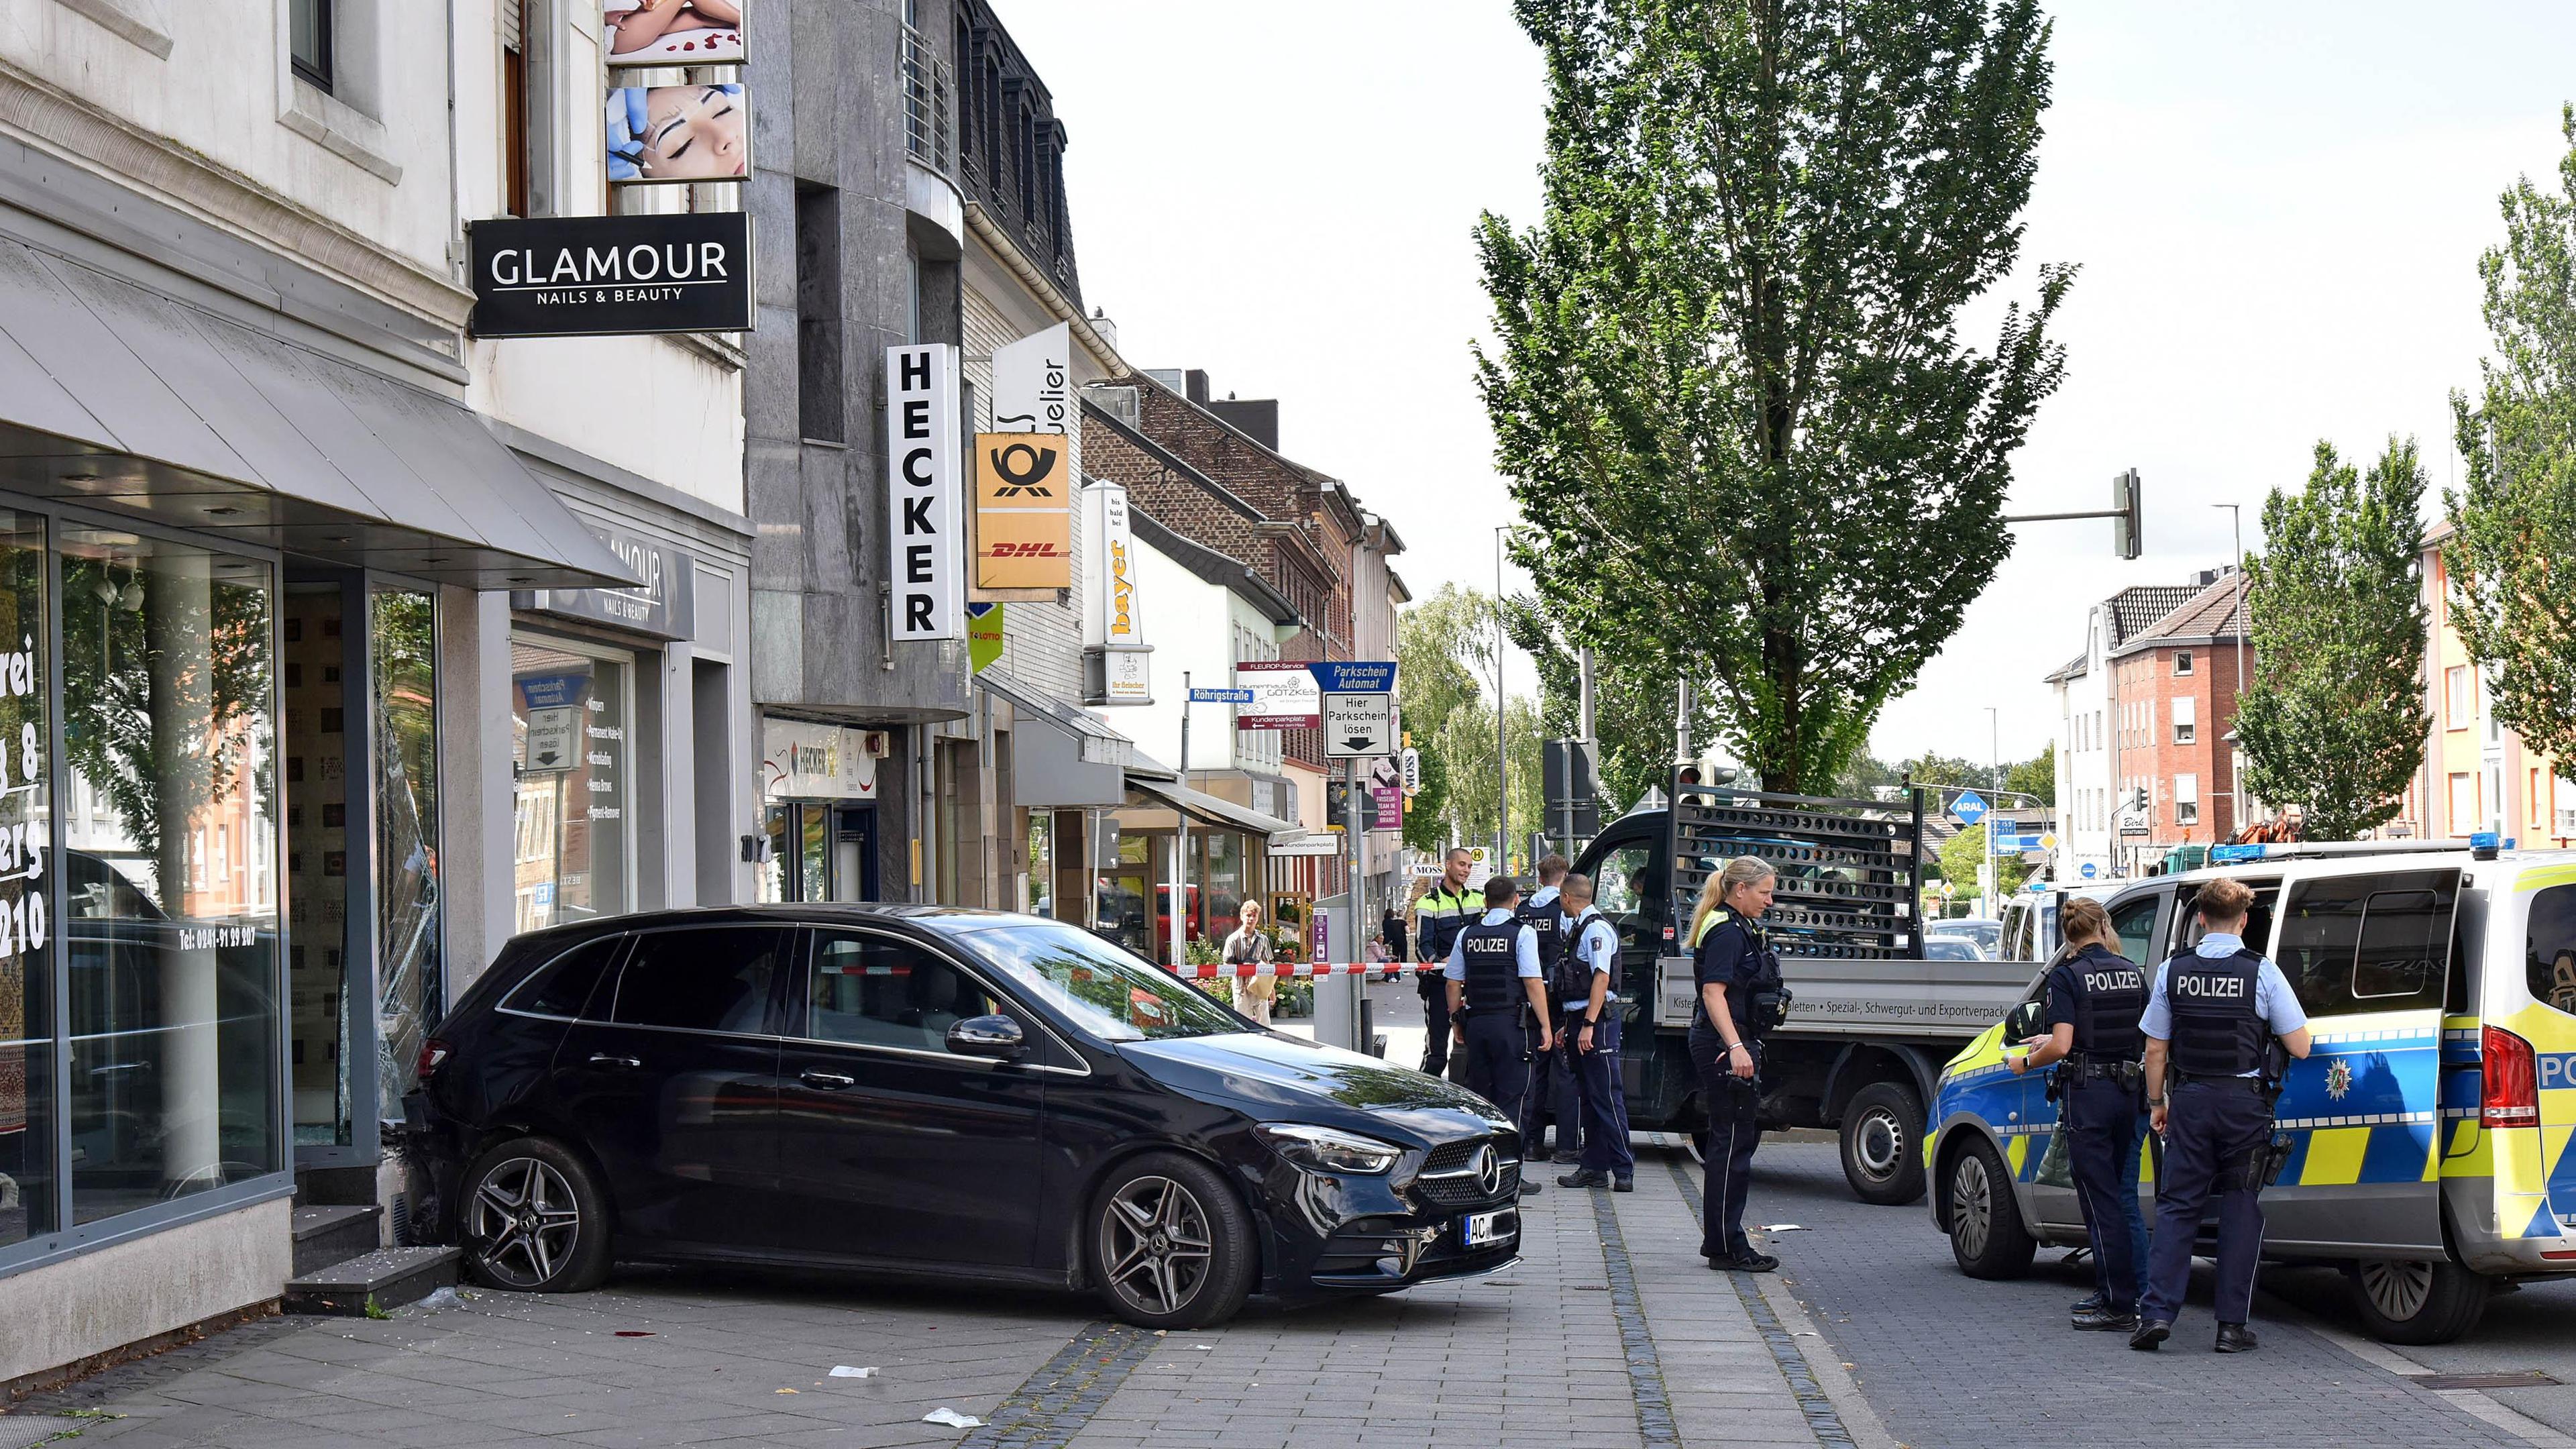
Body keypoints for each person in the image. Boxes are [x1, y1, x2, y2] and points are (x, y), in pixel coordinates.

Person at [2130, 876, 2311, 1354]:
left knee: (2177, 1207)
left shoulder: (2173, 970)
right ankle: (2231, 1328)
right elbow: (2301, 1045)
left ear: (2202, 918)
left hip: (2189, 1101)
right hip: (2243, 1105)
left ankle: (2156, 1315)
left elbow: (2155, 1047)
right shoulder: (2262, 972)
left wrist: (2156, 1104)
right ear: (2245, 921)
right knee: (2239, 1207)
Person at [2011, 897, 2150, 1331]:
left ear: (2069, 935)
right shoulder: (2131, 972)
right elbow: (2149, 1034)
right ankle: (2125, 1293)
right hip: (2131, 1092)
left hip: (2090, 1096)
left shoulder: (2067, 977)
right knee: (2122, 1198)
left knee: (2099, 1199)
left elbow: (2064, 1045)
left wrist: (2027, 1061)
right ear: (2103, 926)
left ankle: (2118, 1305)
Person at [1689, 855, 1785, 1271]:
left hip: (1729, 1042)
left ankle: (1720, 1242)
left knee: (1731, 1143)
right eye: (1764, 892)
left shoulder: (1737, 925)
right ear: (1740, 889)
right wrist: (1734, 1047)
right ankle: (1729, 1247)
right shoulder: (1728, 931)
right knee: (1732, 1146)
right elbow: (1714, 994)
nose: (1770, 900)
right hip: (1723, 1044)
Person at [1447, 874, 1552, 1197]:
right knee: (1515, 1098)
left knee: (1482, 1098)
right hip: (1512, 1026)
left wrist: (1457, 1023)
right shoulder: (1522, 933)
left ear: (1486, 902)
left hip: (1477, 1024)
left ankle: (1478, 1174)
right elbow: (1533, 983)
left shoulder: (1467, 934)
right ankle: (1510, 1176)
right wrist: (1546, 1026)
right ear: (1516, 901)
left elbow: (1453, 983)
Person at [1556, 873, 1635, 1191]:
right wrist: (1569, 1025)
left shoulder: (1597, 929)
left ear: (1566, 897)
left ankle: (1623, 1169)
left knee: (1607, 1097)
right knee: (1589, 1096)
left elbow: (1601, 979)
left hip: (1597, 1023)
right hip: (1580, 1021)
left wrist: (1588, 1025)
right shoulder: (1579, 929)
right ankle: (1594, 1167)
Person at [1516, 855, 1580, 1164]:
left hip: (1529, 997)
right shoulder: (1565, 911)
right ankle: (1567, 1146)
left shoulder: (1523, 909)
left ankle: (1531, 1142)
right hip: (1560, 998)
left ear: (1539, 877)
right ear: (1565, 876)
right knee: (1566, 1071)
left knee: (1536, 1072)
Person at [1413, 850, 1481, 1079]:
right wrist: (1441, 962)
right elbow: (1422, 947)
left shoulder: (1477, 899)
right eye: (1462, 865)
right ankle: (1423, 1099)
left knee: (1474, 1053)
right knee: (1437, 1055)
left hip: (1472, 987)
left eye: (1470, 866)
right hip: (1440, 986)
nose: (1466, 870)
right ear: (1448, 865)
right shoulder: (1428, 902)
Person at [1224, 900, 1275, 1026]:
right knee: (1243, 1025)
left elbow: (1268, 965)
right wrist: (1242, 969)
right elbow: (1226, 965)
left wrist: (1272, 990)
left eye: (1254, 916)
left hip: (1259, 985)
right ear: (1242, 916)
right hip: (1241, 987)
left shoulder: (1263, 940)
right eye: (1248, 915)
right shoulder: (1233, 939)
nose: (1251, 919)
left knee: (1264, 1024)